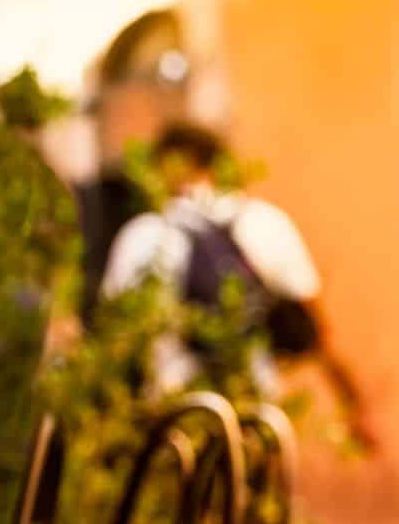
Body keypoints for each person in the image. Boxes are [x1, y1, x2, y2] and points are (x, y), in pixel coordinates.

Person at [101, 122, 374, 444]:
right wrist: (350, 400)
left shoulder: (144, 234)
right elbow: (312, 320)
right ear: (217, 165)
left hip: (175, 413)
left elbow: (113, 336)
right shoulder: (263, 220)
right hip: (256, 406)